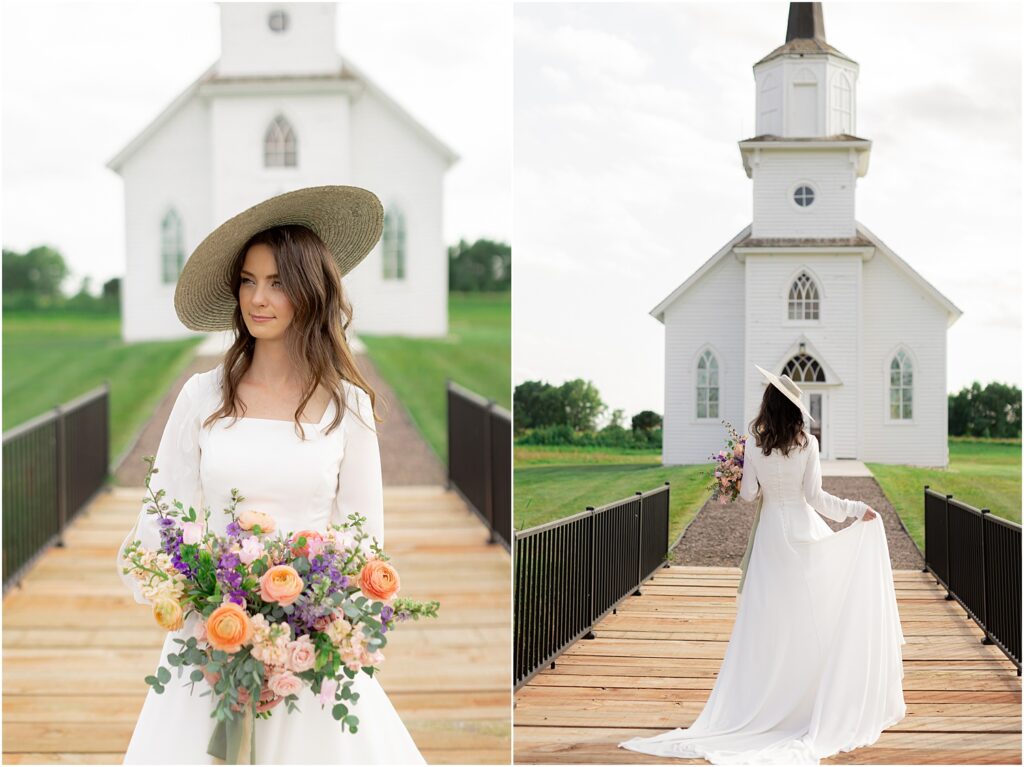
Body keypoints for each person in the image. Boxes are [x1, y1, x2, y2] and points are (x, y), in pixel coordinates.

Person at [116, 186, 426, 764]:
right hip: (213, 635)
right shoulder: (203, 395)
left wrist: (301, 616)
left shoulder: (348, 407)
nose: (259, 298)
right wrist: (207, 599)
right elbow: (160, 523)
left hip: (306, 648)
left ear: (311, 293)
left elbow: (363, 543)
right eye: (249, 281)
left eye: (278, 282)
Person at [618, 364, 906, 764]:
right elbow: (817, 498)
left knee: (770, 621)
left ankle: (769, 698)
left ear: (768, 405)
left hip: (772, 538)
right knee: (813, 615)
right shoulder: (809, 444)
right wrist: (857, 509)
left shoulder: (753, 446)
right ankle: (810, 697)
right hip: (803, 533)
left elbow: (751, 496)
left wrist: (736, 474)